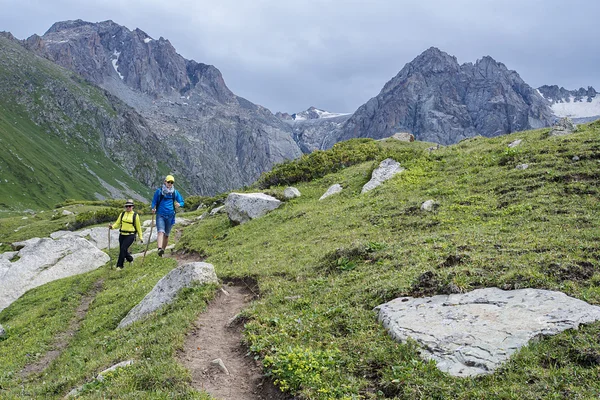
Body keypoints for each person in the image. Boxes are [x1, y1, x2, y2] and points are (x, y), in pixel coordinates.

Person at [151, 174, 184, 257]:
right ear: (165, 182)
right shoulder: (159, 191)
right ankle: (159, 249)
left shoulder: (174, 193)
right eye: (168, 182)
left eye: (171, 182)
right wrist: (153, 208)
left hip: (170, 216)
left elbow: (182, 201)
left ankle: (163, 250)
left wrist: (179, 204)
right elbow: (154, 201)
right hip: (160, 215)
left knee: (167, 235)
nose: (170, 184)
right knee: (160, 232)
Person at [109, 199, 143, 269]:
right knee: (122, 249)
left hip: (130, 235)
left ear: (132, 207)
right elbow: (117, 223)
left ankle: (119, 266)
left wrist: (140, 237)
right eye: (127, 206)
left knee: (123, 248)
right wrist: (112, 227)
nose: (128, 208)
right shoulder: (122, 214)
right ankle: (130, 259)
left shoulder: (135, 215)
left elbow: (138, 227)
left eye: (130, 206)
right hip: (122, 234)